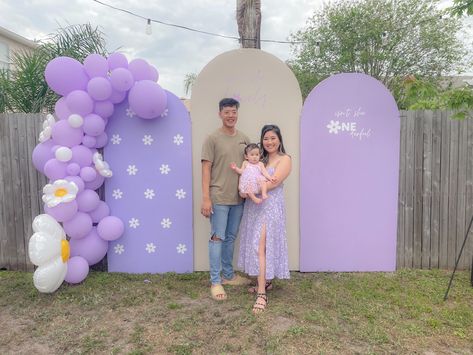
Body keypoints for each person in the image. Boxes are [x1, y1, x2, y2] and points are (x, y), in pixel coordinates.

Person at [201, 98, 252, 301]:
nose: (231, 115)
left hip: (238, 198)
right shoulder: (212, 139)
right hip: (219, 196)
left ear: (237, 113)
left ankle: (228, 276)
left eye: (234, 112)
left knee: (231, 238)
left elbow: (251, 168)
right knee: (217, 238)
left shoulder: (245, 139)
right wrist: (206, 198)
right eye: (227, 112)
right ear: (220, 114)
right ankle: (215, 281)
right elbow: (205, 169)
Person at [238, 124, 291, 313]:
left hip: (270, 208)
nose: (269, 142)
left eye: (272, 138)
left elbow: (274, 183)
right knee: (259, 247)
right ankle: (265, 282)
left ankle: (261, 294)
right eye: (266, 139)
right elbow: (245, 177)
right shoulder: (258, 161)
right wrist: (245, 190)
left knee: (260, 247)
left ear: (279, 139)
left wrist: (248, 190)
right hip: (255, 207)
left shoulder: (285, 159)